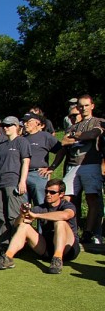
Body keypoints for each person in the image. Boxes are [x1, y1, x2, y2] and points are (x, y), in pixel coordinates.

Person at [0, 179, 79, 274]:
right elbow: (16, 225)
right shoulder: (40, 208)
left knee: (60, 222)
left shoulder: (67, 205)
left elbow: (66, 215)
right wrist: (22, 214)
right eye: (46, 191)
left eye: (52, 192)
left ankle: (57, 259)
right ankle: (8, 257)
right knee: (24, 226)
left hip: (68, 249)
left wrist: (37, 216)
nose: (48, 194)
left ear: (61, 194)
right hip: (47, 248)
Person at [53, 95, 104, 244]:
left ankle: (88, 232)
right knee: (66, 198)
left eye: (86, 105)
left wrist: (75, 137)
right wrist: (53, 166)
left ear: (92, 106)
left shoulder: (98, 122)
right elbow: (64, 143)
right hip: (73, 165)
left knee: (92, 198)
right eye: (81, 106)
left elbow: (93, 134)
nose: (83, 108)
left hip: (91, 164)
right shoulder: (73, 125)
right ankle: (69, 230)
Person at [0, 116, 31, 253]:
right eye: (4, 125)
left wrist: (22, 181)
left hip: (13, 182)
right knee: (1, 215)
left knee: (14, 215)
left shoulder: (22, 142)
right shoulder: (2, 146)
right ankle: (4, 244)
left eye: (9, 125)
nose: (6, 127)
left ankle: (17, 244)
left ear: (17, 126)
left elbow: (25, 162)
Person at [22, 112, 62, 210]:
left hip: (38, 175)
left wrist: (52, 167)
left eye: (29, 121)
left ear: (37, 123)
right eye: (24, 121)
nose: (25, 124)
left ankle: (43, 225)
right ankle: (26, 225)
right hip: (22, 176)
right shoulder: (22, 139)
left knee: (41, 206)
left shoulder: (45, 136)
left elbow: (61, 149)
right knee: (23, 207)